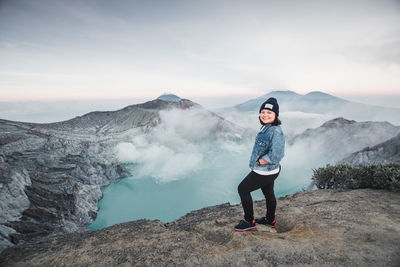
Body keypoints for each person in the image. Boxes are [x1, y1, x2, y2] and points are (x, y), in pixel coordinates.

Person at [235, 97, 285, 231]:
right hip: (270, 170)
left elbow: (277, 155)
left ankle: (249, 221)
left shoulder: (275, 131)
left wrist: (260, 161)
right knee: (268, 193)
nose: (265, 115)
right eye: (263, 112)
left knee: (243, 189)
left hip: (265, 170)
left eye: (269, 113)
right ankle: (270, 220)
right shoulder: (267, 127)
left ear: (276, 115)